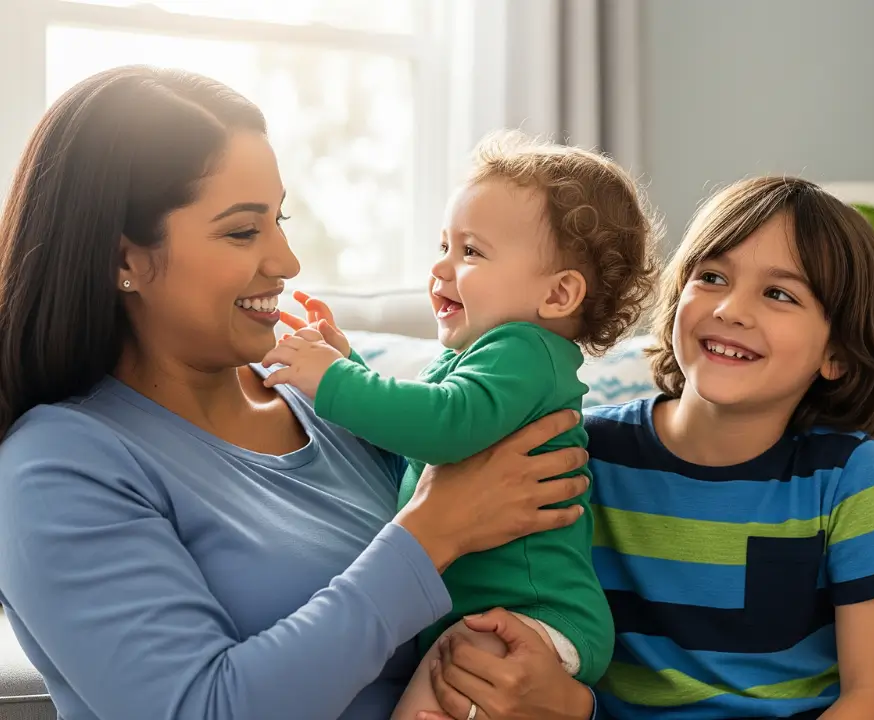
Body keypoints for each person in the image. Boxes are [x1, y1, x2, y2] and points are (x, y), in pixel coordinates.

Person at [0, 65, 591, 720]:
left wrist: (566, 704)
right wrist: (434, 531)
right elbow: (204, 709)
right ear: (124, 261)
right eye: (242, 230)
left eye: (278, 220)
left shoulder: (328, 400)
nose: (286, 261)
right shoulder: (57, 467)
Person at [422, 176, 874, 719]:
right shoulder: (578, 450)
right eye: (711, 277)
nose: (732, 309)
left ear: (837, 354)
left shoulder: (845, 472)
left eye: (779, 293)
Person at [262, 130, 659, 717]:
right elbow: (416, 421)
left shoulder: (524, 351)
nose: (440, 267)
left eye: (470, 252)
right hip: (493, 613)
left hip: (528, 615)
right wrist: (347, 363)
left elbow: (442, 426)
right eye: (444, 244)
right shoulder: (482, 358)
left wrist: (332, 381)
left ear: (559, 294)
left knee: (450, 678)